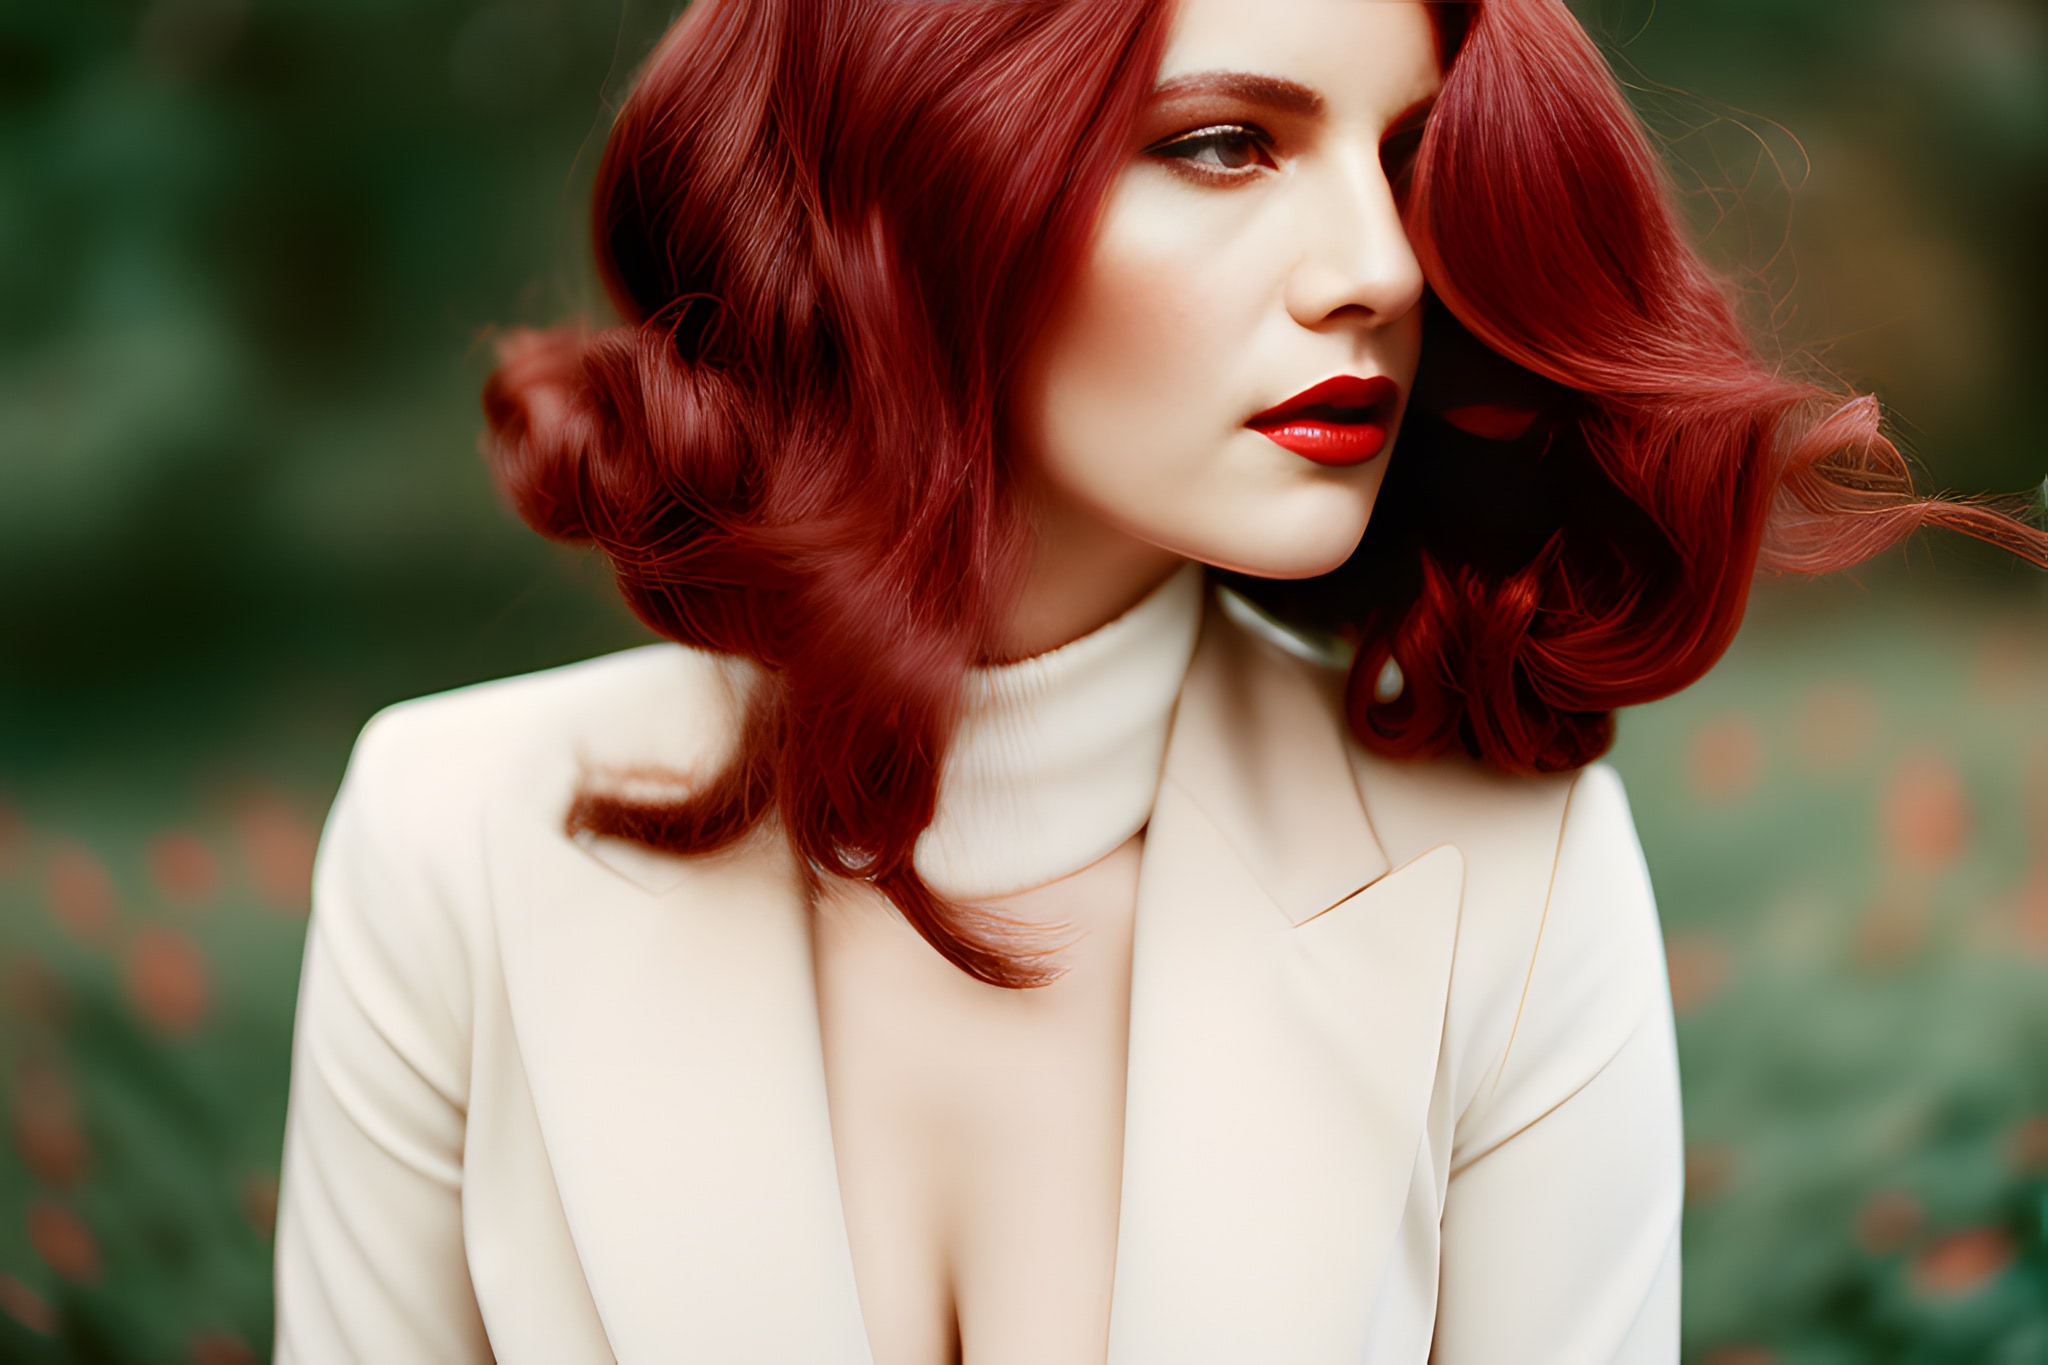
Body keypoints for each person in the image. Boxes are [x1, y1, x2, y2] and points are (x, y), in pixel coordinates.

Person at [269, 0, 2048, 1361]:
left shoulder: (1509, 879)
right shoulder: (452, 844)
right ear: (915, 172)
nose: (1376, 270)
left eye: (1408, 160)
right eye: (1221, 144)